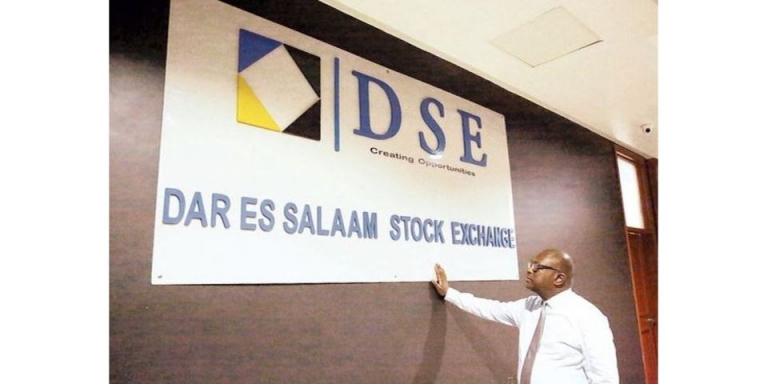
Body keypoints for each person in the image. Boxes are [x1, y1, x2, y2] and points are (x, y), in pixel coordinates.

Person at [431, 249, 619, 384]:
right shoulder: (529, 307)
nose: (529, 270)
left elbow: (605, 377)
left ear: (559, 278)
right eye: (530, 265)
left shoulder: (588, 317)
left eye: (538, 267)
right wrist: (449, 293)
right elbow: (490, 308)